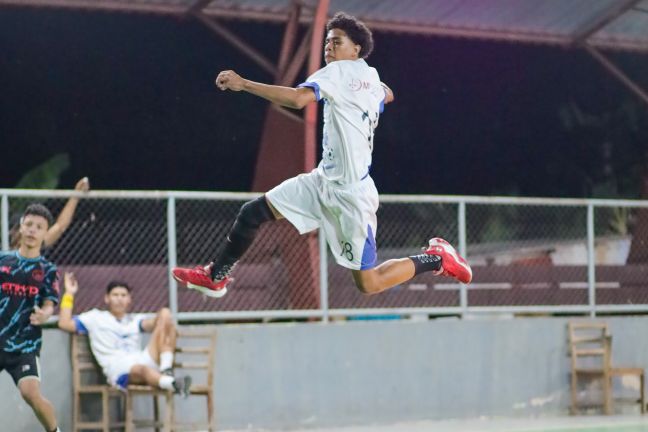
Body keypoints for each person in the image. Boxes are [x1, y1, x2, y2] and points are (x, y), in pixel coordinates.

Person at [173, 12, 472, 299]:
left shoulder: (338, 72)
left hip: (350, 196)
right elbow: (388, 93)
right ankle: (216, 277)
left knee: (369, 283)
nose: (329, 46)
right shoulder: (369, 77)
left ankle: (437, 258)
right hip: (322, 182)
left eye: (337, 41)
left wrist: (244, 84)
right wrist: (372, 90)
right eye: (327, 41)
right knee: (253, 212)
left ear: (357, 49)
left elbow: (298, 99)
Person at [57, 273, 191, 397]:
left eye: (123, 295)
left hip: (142, 359)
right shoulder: (95, 318)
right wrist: (69, 293)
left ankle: (167, 370)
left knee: (166, 313)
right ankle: (173, 384)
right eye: (115, 295)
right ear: (106, 298)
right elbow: (64, 323)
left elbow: (159, 321)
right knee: (142, 370)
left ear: (129, 300)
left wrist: (167, 323)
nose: (119, 299)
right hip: (119, 369)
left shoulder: (135, 320)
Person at [0, 204, 62, 432]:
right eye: (29, 225)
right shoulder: (3, 261)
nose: (32, 230)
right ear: (20, 228)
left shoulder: (48, 270)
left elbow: (49, 304)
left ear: (46, 233)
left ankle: (55, 430)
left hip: (25, 343)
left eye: (39, 227)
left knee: (30, 392)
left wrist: (45, 314)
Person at [10, 176, 91, 249]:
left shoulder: (37, 244)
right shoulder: (5, 254)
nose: (30, 231)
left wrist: (75, 195)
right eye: (26, 226)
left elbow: (60, 226)